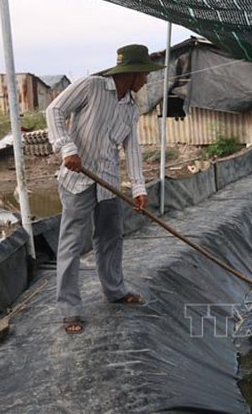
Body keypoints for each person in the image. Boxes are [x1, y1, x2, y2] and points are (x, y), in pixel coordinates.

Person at [46, 44, 165, 335]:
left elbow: (132, 149)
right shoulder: (92, 87)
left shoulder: (130, 108)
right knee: (72, 244)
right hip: (78, 181)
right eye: (145, 75)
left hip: (108, 182)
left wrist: (139, 187)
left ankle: (115, 290)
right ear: (133, 74)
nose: (147, 81)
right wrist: (67, 148)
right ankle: (70, 309)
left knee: (111, 237)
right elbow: (54, 110)